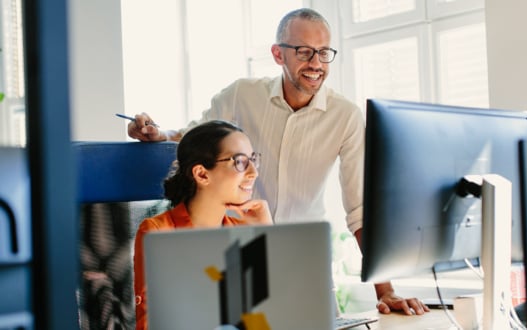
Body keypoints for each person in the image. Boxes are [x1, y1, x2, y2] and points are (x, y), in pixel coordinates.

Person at [127, 8, 429, 317]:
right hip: (236, 259)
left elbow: (360, 211)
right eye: (304, 52)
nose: (316, 64)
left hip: (302, 267)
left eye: (324, 53)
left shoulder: (346, 116)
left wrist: (386, 290)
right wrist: (158, 133)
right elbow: (197, 136)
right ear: (277, 54)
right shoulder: (241, 95)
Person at [132, 120, 272, 330]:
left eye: (253, 160)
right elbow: (151, 324)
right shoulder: (159, 233)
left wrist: (266, 233)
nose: (254, 172)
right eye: (240, 162)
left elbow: (268, 316)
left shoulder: (242, 231)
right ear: (202, 174)